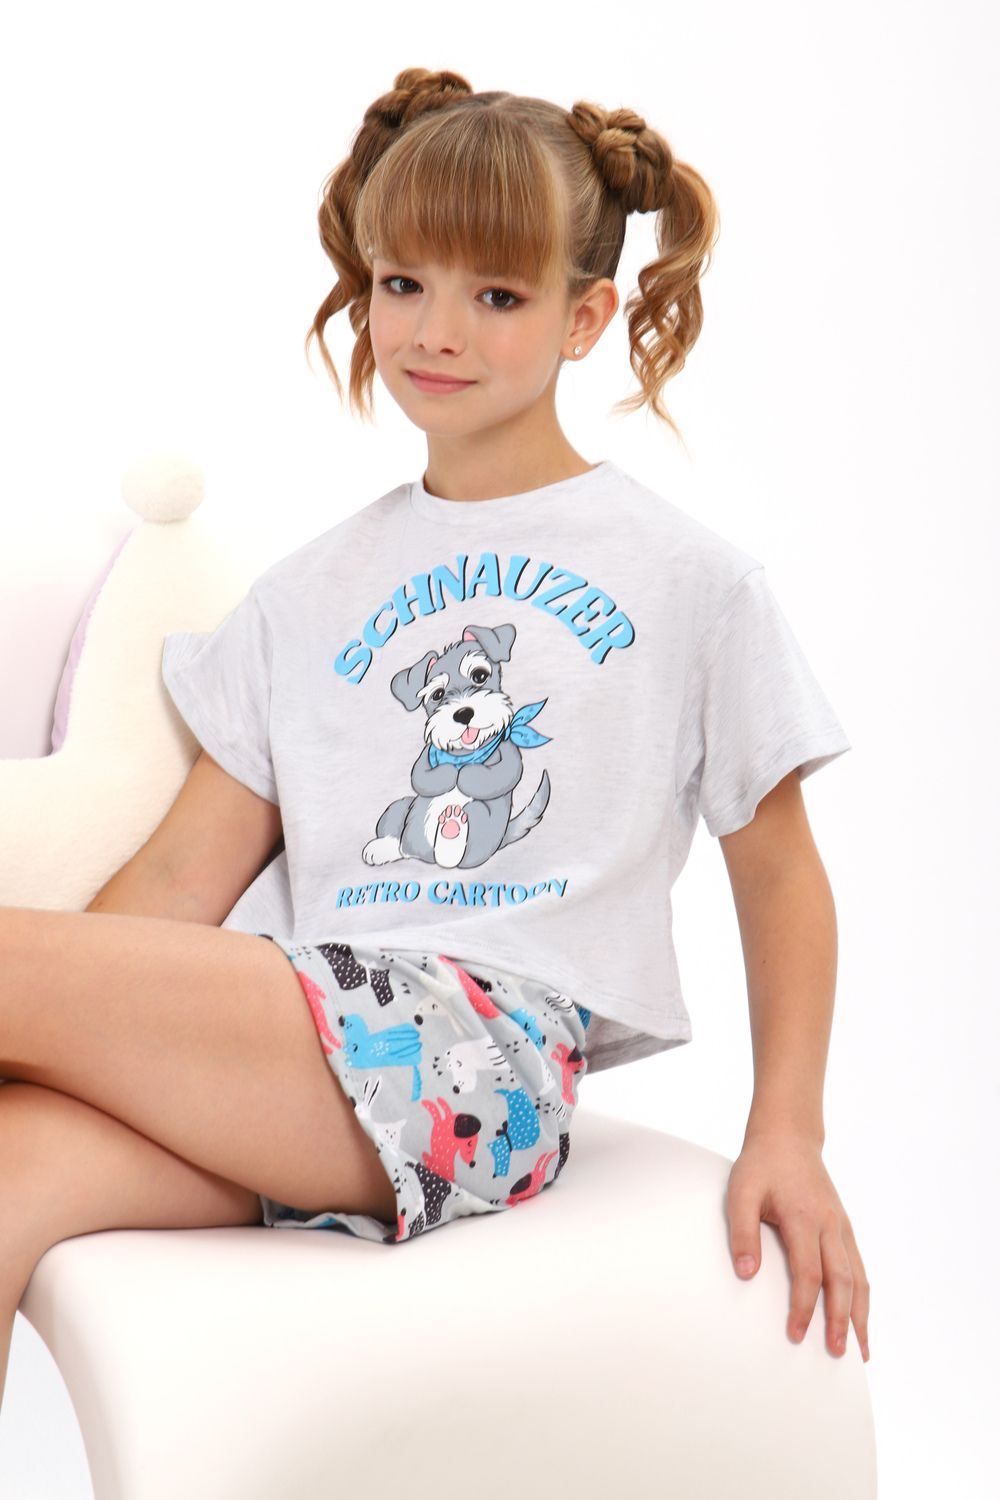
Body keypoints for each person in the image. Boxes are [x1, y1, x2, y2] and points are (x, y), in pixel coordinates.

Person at [0, 66, 869, 1408]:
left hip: (485, 1058)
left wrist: (789, 1134)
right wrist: (71, 1032)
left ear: (587, 316)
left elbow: (782, 874)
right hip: (295, 1055)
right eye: (404, 284)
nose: (436, 332)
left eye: (497, 296)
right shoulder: (305, 596)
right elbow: (179, 879)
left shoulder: (687, 580)